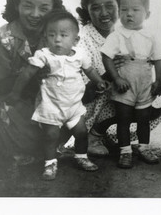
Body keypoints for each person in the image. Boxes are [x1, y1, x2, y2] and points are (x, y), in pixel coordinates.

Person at [6, 10, 106, 180]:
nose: (57, 39)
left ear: (75, 40)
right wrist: (15, 93)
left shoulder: (80, 55)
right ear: (46, 38)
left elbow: (89, 70)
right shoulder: (44, 55)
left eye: (63, 35)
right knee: (51, 136)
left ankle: (81, 156)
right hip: (51, 106)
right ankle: (50, 163)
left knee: (81, 132)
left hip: (73, 106)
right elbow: (26, 74)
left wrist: (98, 81)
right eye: (52, 35)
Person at [0, 0, 66, 167]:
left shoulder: (57, 36)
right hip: (9, 100)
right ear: (16, 5)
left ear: (53, 10)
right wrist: (31, 78)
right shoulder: (1, 38)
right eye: (28, 6)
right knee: (23, 147)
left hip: (45, 100)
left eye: (44, 8)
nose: (35, 14)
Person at [75, 0, 161, 156]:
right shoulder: (82, 40)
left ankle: (114, 137)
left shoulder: (125, 30)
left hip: (126, 93)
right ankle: (93, 135)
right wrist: (110, 73)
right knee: (122, 94)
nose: (104, 13)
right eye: (96, 8)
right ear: (87, 10)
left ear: (118, 4)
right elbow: (82, 94)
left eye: (109, 5)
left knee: (152, 104)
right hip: (90, 103)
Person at [101, 0, 161, 168]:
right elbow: (106, 57)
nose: (129, 14)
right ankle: (125, 151)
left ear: (147, 13)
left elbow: (158, 60)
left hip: (144, 84)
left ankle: (143, 148)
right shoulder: (116, 35)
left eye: (135, 10)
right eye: (124, 10)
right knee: (124, 119)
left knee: (144, 118)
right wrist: (116, 79)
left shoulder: (151, 36)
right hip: (124, 84)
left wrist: (158, 81)